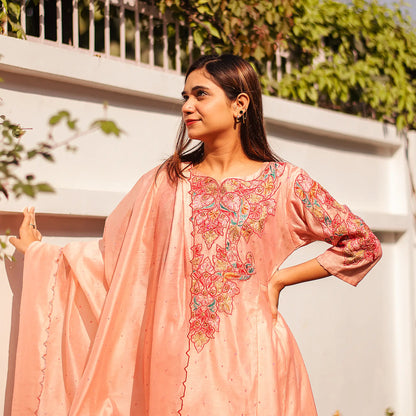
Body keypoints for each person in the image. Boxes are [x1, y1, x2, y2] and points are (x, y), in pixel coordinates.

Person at [10, 54, 382, 415]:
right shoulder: (167, 181)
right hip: (172, 359)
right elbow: (119, 263)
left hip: (253, 356)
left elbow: (362, 243)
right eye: (185, 97)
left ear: (240, 104)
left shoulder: (285, 184)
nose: (188, 106)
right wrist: (42, 255)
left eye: (200, 95)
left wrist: (281, 279)